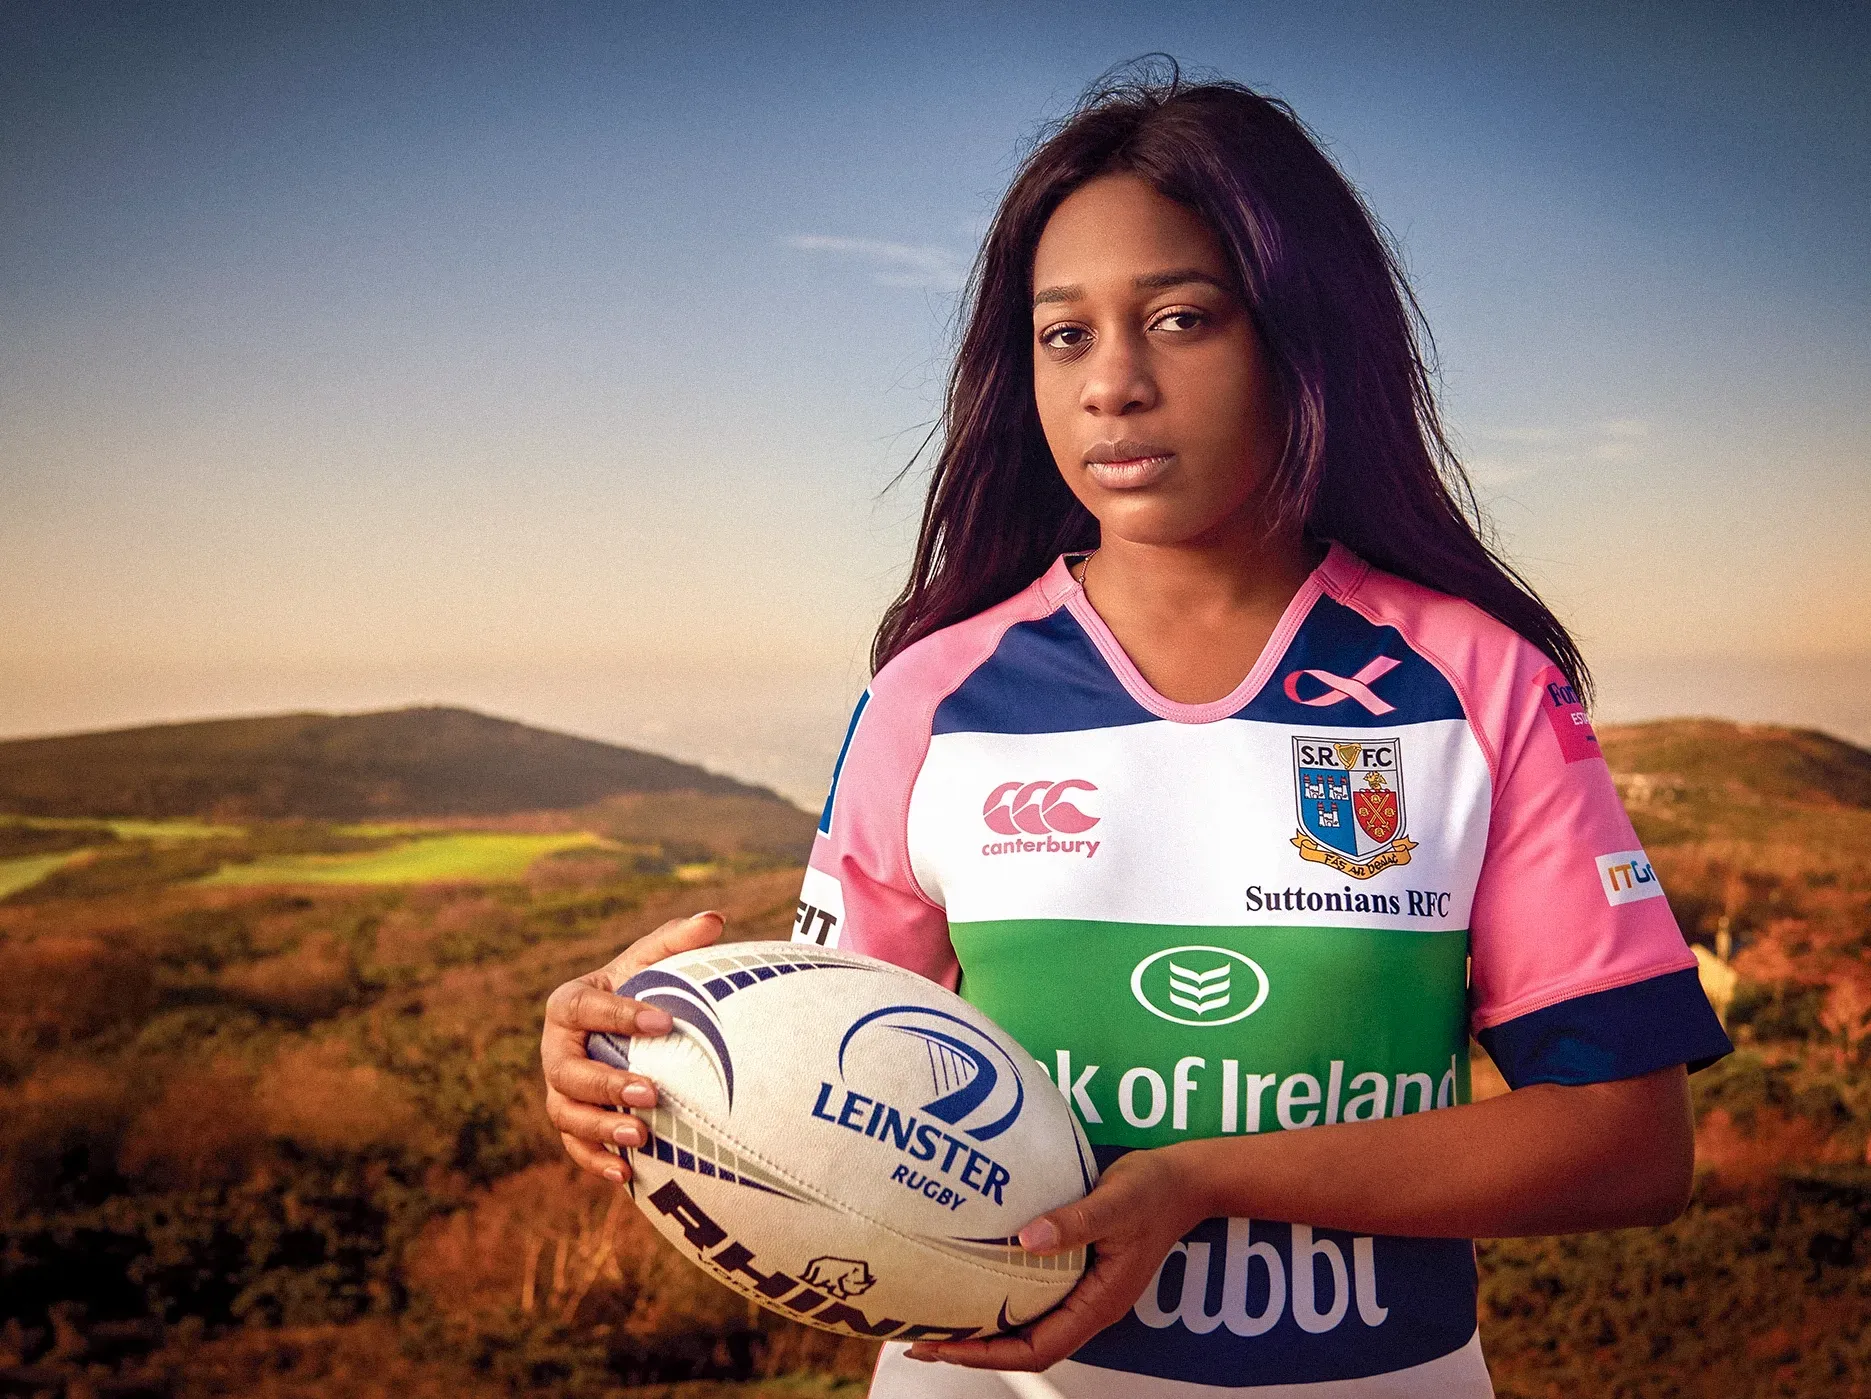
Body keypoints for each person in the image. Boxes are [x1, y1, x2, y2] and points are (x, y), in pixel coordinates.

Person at [539, 65, 1731, 1398]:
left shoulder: (1472, 684)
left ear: (1301, 336)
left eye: (1179, 318)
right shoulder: (934, 693)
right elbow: (814, 1083)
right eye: (1065, 335)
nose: (1113, 383)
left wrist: (1198, 1177)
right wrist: (631, 1063)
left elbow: (1630, 1146)